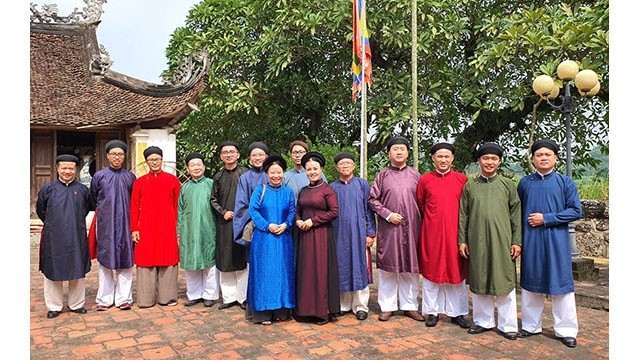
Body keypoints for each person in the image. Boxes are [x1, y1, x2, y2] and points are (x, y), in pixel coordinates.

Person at [516, 139, 582, 348]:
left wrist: (547, 218)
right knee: (530, 283)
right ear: (533, 158)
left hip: (557, 240)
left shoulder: (565, 182)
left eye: (548, 155)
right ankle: (530, 325)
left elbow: (575, 210)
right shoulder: (525, 183)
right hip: (531, 240)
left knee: (561, 285)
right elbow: (517, 212)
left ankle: (566, 330)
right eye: (539, 155)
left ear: (555, 158)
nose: (543, 158)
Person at [458, 142, 521, 340]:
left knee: (504, 281)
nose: (489, 162)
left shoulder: (507, 185)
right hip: (476, 241)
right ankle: (483, 321)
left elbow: (516, 214)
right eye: (485, 158)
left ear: (499, 162)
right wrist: (462, 241)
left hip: (502, 241)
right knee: (480, 280)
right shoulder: (470, 186)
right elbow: (463, 215)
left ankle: (508, 325)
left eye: (494, 159)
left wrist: (517, 241)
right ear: (479, 161)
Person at [368, 136, 424, 322]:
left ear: (408, 153)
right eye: (395, 149)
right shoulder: (382, 175)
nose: (399, 152)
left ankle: (410, 305)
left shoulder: (416, 175)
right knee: (388, 270)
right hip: (389, 230)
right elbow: (372, 200)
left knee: (410, 268)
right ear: (389, 153)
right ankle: (388, 306)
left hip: (413, 229)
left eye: (402, 149)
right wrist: (388, 214)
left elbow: (425, 201)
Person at [417, 142, 470, 328]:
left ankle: (457, 313)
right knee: (432, 272)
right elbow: (421, 204)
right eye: (439, 156)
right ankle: (432, 311)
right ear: (433, 158)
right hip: (432, 232)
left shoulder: (461, 179)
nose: (443, 160)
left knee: (456, 273)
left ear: (452, 158)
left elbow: (466, 207)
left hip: (456, 233)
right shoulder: (425, 180)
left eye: (447, 156)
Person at [36, 154, 95, 318]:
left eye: (71, 168)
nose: (67, 171)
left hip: (76, 235)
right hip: (53, 237)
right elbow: (41, 211)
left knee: (77, 268)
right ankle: (54, 306)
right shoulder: (48, 189)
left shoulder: (83, 190)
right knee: (53, 270)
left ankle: (77, 304)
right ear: (57, 169)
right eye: (64, 168)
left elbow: (87, 209)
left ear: (76, 170)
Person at [246, 155, 297, 325]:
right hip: (263, 239)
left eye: (279, 172)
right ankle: (263, 312)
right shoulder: (260, 190)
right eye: (272, 172)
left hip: (283, 239)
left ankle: (281, 310)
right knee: (264, 273)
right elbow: (253, 210)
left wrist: (286, 224)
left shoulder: (288, 192)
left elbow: (292, 211)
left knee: (283, 273)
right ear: (267, 173)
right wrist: (266, 225)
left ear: (283, 173)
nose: (276, 175)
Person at [130, 146, 181, 308]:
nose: (154, 162)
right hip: (146, 227)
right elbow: (133, 206)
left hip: (167, 226)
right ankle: (146, 299)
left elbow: (178, 205)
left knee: (168, 258)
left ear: (162, 160)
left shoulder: (173, 181)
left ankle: (167, 297)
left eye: (157, 159)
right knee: (146, 260)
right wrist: (134, 229)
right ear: (146, 162)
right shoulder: (139, 182)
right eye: (151, 160)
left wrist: (177, 227)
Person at [90, 139, 137, 311]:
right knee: (105, 261)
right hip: (106, 224)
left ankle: (124, 298)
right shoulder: (99, 176)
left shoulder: (130, 177)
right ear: (108, 156)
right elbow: (93, 198)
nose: (117, 157)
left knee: (126, 260)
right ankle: (104, 299)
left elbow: (135, 201)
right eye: (114, 154)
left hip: (125, 224)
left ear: (124, 156)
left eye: (120, 154)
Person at [294, 152, 341, 325]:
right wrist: (298, 220)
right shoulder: (304, 191)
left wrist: (313, 221)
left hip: (321, 235)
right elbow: (298, 209)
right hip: (304, 236)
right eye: (309, 169)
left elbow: (334, 212)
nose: (312, 172)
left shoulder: (327, 190)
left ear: (321, 169)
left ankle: (322, 311)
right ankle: (305, 310)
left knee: (320, 271)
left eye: (315, 168)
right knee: (306, 271)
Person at [329, 152, 376, 321]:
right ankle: (344, 305)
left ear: (354, 166)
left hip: (359, 234)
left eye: (348, 163)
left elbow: (369, 210)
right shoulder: (332, 187)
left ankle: (361, 306)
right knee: (342, 267)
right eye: (342, 164)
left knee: (360, 267)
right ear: (336, 168)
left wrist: (370, 233)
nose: (345, 166)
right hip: (338, 233)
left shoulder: (362, 185)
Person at [210, 141, 249, 310]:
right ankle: (228, 297)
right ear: (221, 156)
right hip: (225, 223)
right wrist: (223, 211)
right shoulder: (218, 176)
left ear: (238, 155)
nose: (228, 155)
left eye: (231, 152)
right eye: (225, 152)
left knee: (241, 259)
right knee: (225, 260)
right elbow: (213, 199)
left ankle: (242, 298)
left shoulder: (245, 174)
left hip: (243, 222)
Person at [178, 152, 219, 307]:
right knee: (191, 263)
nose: (196, 168)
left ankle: (210, 294)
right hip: (189, 230)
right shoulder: (184, 188)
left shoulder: (212, 184)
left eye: (198, 164)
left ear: (204, 166)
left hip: (209, 228)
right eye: (192, 165)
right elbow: (180, 210)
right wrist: (179, 229)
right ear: (188, 169)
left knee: (210, 263)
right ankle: (194, 294)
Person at [232, 141, 269, 310]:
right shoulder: (245, 178)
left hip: (274, 227)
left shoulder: (273, 174)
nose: (258, 158)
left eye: (261, 154)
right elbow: (241, 205)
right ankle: (249, 297)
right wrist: (256, 220)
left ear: (266, 157)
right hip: (253, 226)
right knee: (251, 262)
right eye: (254, 155)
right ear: (249, 158)